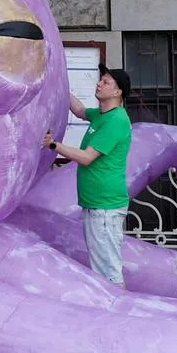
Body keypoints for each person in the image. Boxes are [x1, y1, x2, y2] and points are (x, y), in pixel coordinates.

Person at [42, 64, 133, 287]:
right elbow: (80, 110)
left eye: (106, 82)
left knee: (108, 271)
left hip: (105, 208)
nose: (99, 83)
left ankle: (119, 315)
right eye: (100, 79)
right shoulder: (102, 115)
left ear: (117, 91)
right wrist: (60, 85)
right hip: (96, 204)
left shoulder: (116, 121)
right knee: (102, 266)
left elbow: (86, 157)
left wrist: (54, 145)